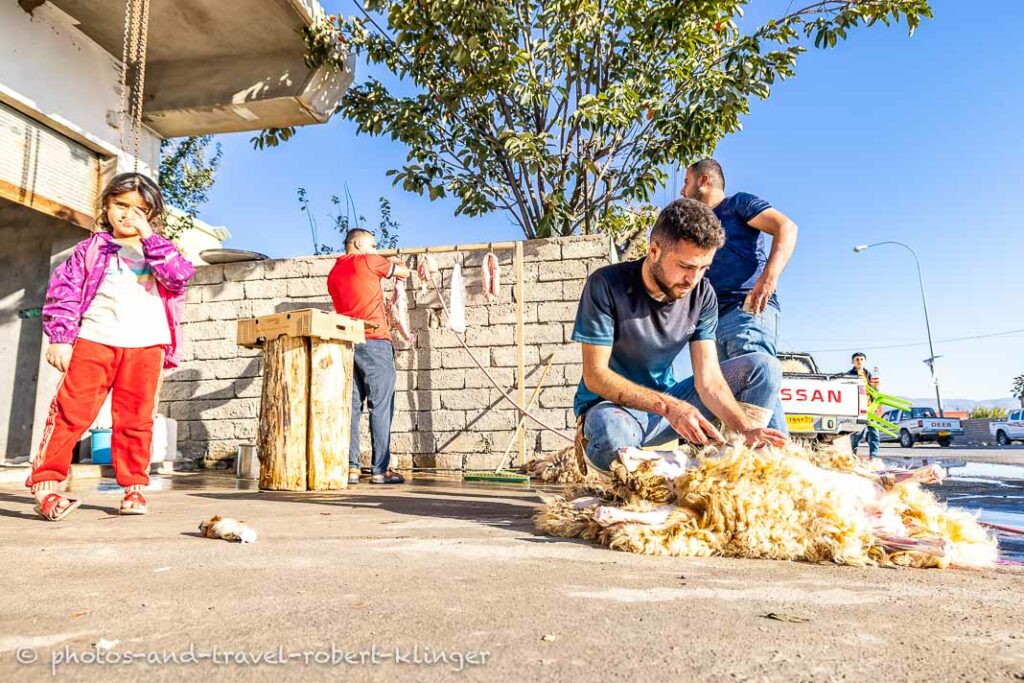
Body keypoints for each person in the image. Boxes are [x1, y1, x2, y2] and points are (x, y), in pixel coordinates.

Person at [572, 198, 788, 474]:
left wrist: (745, 427)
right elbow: (596, 376)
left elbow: (708, 380)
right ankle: (652, 465)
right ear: (654, 250)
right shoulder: (606, 285)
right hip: (613, 410)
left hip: (664, 414)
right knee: (612, 433)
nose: (693, 279)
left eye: (703, 268)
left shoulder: (702, 295)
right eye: (685, 266)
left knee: (763, 367)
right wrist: (670, 406)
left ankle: (730, 465)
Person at [27, 172, 195, 520]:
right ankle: (45, 485)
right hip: (95, 339)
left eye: (140, 209)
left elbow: (179, 276)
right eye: (121, 205)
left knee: (136, 419)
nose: (128, 214)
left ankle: (133, 488)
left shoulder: (161, 250)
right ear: (106, 205)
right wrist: (60, 338)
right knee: (71, 412)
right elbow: (65, 294)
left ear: (152, 215)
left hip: (146, 344)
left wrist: (149, 237)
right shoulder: (90, 250)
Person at [681, 159, 798, 433]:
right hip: (711, 322)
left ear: (703, 181)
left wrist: (768, 278)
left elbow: (787, 227)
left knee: (759, 376)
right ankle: (778, 459)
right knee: (741, 393)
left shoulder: (738, 204)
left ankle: (779, 463)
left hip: (746, 309)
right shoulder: (696, 225)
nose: (682, 191)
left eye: (686, 182)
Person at [327, 229, 411, 485]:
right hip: (374, 342)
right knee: (381, 406)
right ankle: (380, 470)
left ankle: (351, 468)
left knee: (352, 408)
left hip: (347, 344)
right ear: (359, 243)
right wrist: (396, 264)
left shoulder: (333, 272)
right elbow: (404, 273)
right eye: (373, 245)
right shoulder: (369, 260)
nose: (376, 249)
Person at [847, 352, 881, 457]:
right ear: (853, 362)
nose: (859, 361)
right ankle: (853, 455)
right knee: (857, 434)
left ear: (864, 361)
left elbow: (875, 391)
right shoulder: (848, 375)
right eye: (857, 359)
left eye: (861, 359)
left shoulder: (870, 375)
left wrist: (877, 406)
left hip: (870, 407)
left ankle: (874, 456)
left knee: (874, 433)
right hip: (857, 409)